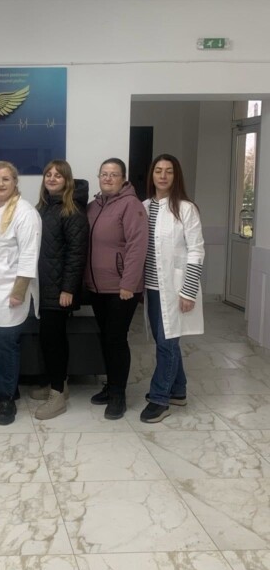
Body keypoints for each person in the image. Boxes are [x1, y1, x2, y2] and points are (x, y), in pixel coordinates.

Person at [140, 154, 205, 422]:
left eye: (168, 171)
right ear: (152, 175)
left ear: (176, 176)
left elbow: (197, 251)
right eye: (158, 170)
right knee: (165, 339)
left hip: (176, 288)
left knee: (166, 344)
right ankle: (178, 390)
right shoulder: (144, 207)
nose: (163, 176)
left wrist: (188, 291)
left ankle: (160, 398)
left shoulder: (186, 209)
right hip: (152, 287)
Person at [85, 157, 148, 420]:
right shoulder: (93, 206)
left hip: (121, 289)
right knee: (106, 338)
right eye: (104, 174)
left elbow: (137, 246)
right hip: (97, 287)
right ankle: (111, 386)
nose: (108, 178)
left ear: (123, 179)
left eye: (114, 174)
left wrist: (128, 284)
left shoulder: (131, 205)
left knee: (116, 340)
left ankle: (119, 395)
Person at [0, 161, 42, 426]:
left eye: (6, 179)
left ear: (15, 181)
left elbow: (29, 255)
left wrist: (19, 292)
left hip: (10, 292)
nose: (0, 184)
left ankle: (7, 401)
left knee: (5, 346)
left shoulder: (25, 212)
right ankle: (7, 389)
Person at [31, 160, 89, 419]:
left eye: (58, 175)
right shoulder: (42, 208)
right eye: (48, 174)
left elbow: (77, 254)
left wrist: (68, 289)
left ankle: (56, 396)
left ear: (67, 180)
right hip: (43, 286)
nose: (52, 178)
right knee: (49, 339)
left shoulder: (72, 210)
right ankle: (59, 385)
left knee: (53, 341)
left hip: (59, 290)